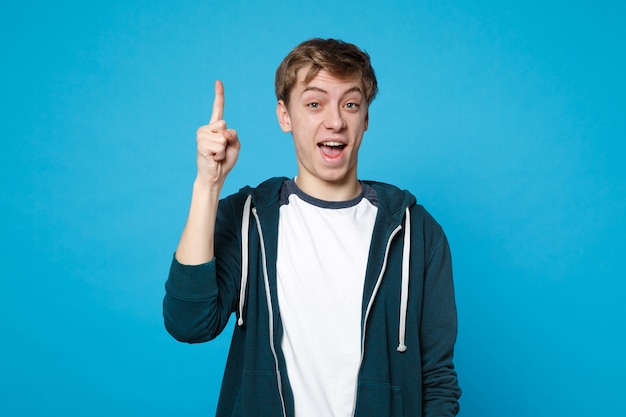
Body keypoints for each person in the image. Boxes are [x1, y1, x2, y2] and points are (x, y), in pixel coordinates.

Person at [163, 38, 461, 417]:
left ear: (366, 118)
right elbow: (189, 323)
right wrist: (207, 186)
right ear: (284, 115)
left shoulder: (414, 231)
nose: (335, 121)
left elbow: (437, 380)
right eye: (314, 104)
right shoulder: (248, 217)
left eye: (350, 104)